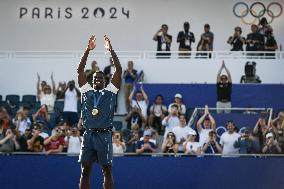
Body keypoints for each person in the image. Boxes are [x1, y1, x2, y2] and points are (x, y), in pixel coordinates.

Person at [77, 35, 122, 189]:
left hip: (104, 135)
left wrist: (111, 51)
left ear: (105, 81)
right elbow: (80, 70)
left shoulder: (111, 91)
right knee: (85, 171)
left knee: (107, 171)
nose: (98, 80)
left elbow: (119, 70)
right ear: (92, 80)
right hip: (88, 134)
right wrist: (87, 50)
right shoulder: (86, 90)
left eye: (101, 78)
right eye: (95, 78)